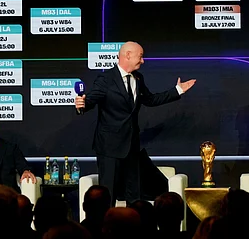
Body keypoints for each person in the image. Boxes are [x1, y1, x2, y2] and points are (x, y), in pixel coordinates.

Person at [74, 41, 196, 205]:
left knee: (134, 195)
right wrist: (82, 105)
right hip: (109, 147)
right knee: (109, 194)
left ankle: (134, 220)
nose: (143, 61)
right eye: (141, 56)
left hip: (132, 147)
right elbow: (91, 99)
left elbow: (150, 100)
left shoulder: (138, 78)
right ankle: (107, 221)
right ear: (128, 55)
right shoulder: (106, 78)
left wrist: (177, 90)